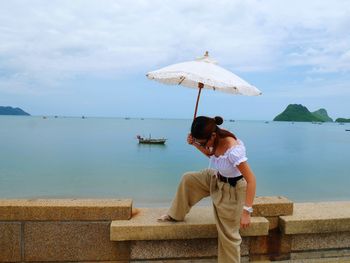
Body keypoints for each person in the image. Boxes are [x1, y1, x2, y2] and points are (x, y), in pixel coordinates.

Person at [158, 116, 256, 263]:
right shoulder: (215, 138)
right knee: (188, 179)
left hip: (233, 190)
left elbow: (251, 180)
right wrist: (196, 145)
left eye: (202, 142)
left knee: (228, 236)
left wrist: (246, 211)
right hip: (216, 179)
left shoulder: (233, 149)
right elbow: (210, 153)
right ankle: (175, 214)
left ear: (213, 135)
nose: (203, 144)